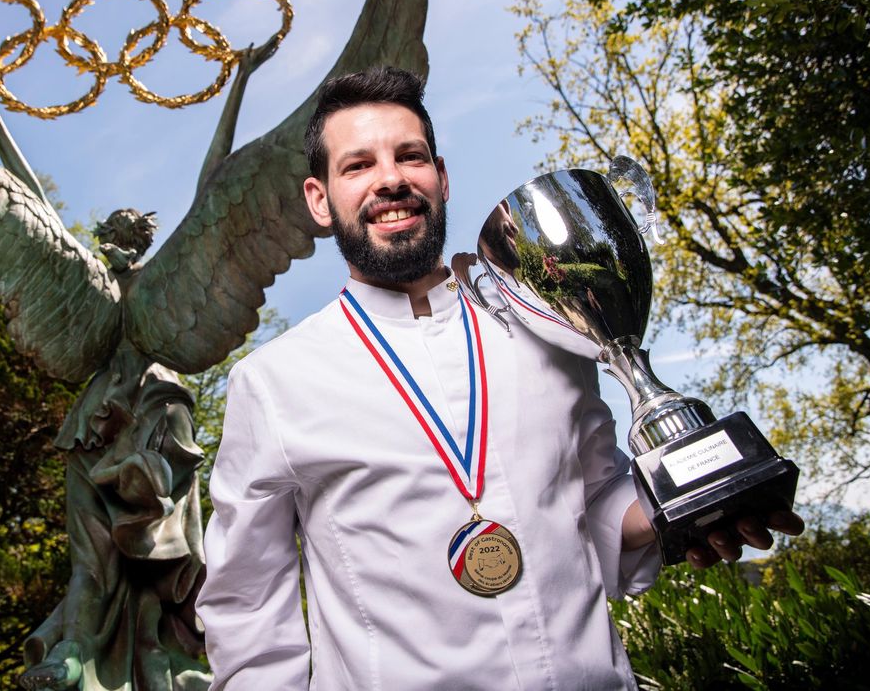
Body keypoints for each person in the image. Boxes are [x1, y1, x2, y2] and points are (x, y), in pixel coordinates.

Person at [196, 66, 801, 689]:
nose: (391, 180)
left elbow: (592, 502)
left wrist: (689, 507)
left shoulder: (547, 322)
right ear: (320, 200)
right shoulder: (273, 381)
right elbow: (247, 608)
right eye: (357, 166)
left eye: (411, 156)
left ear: (441, 178)